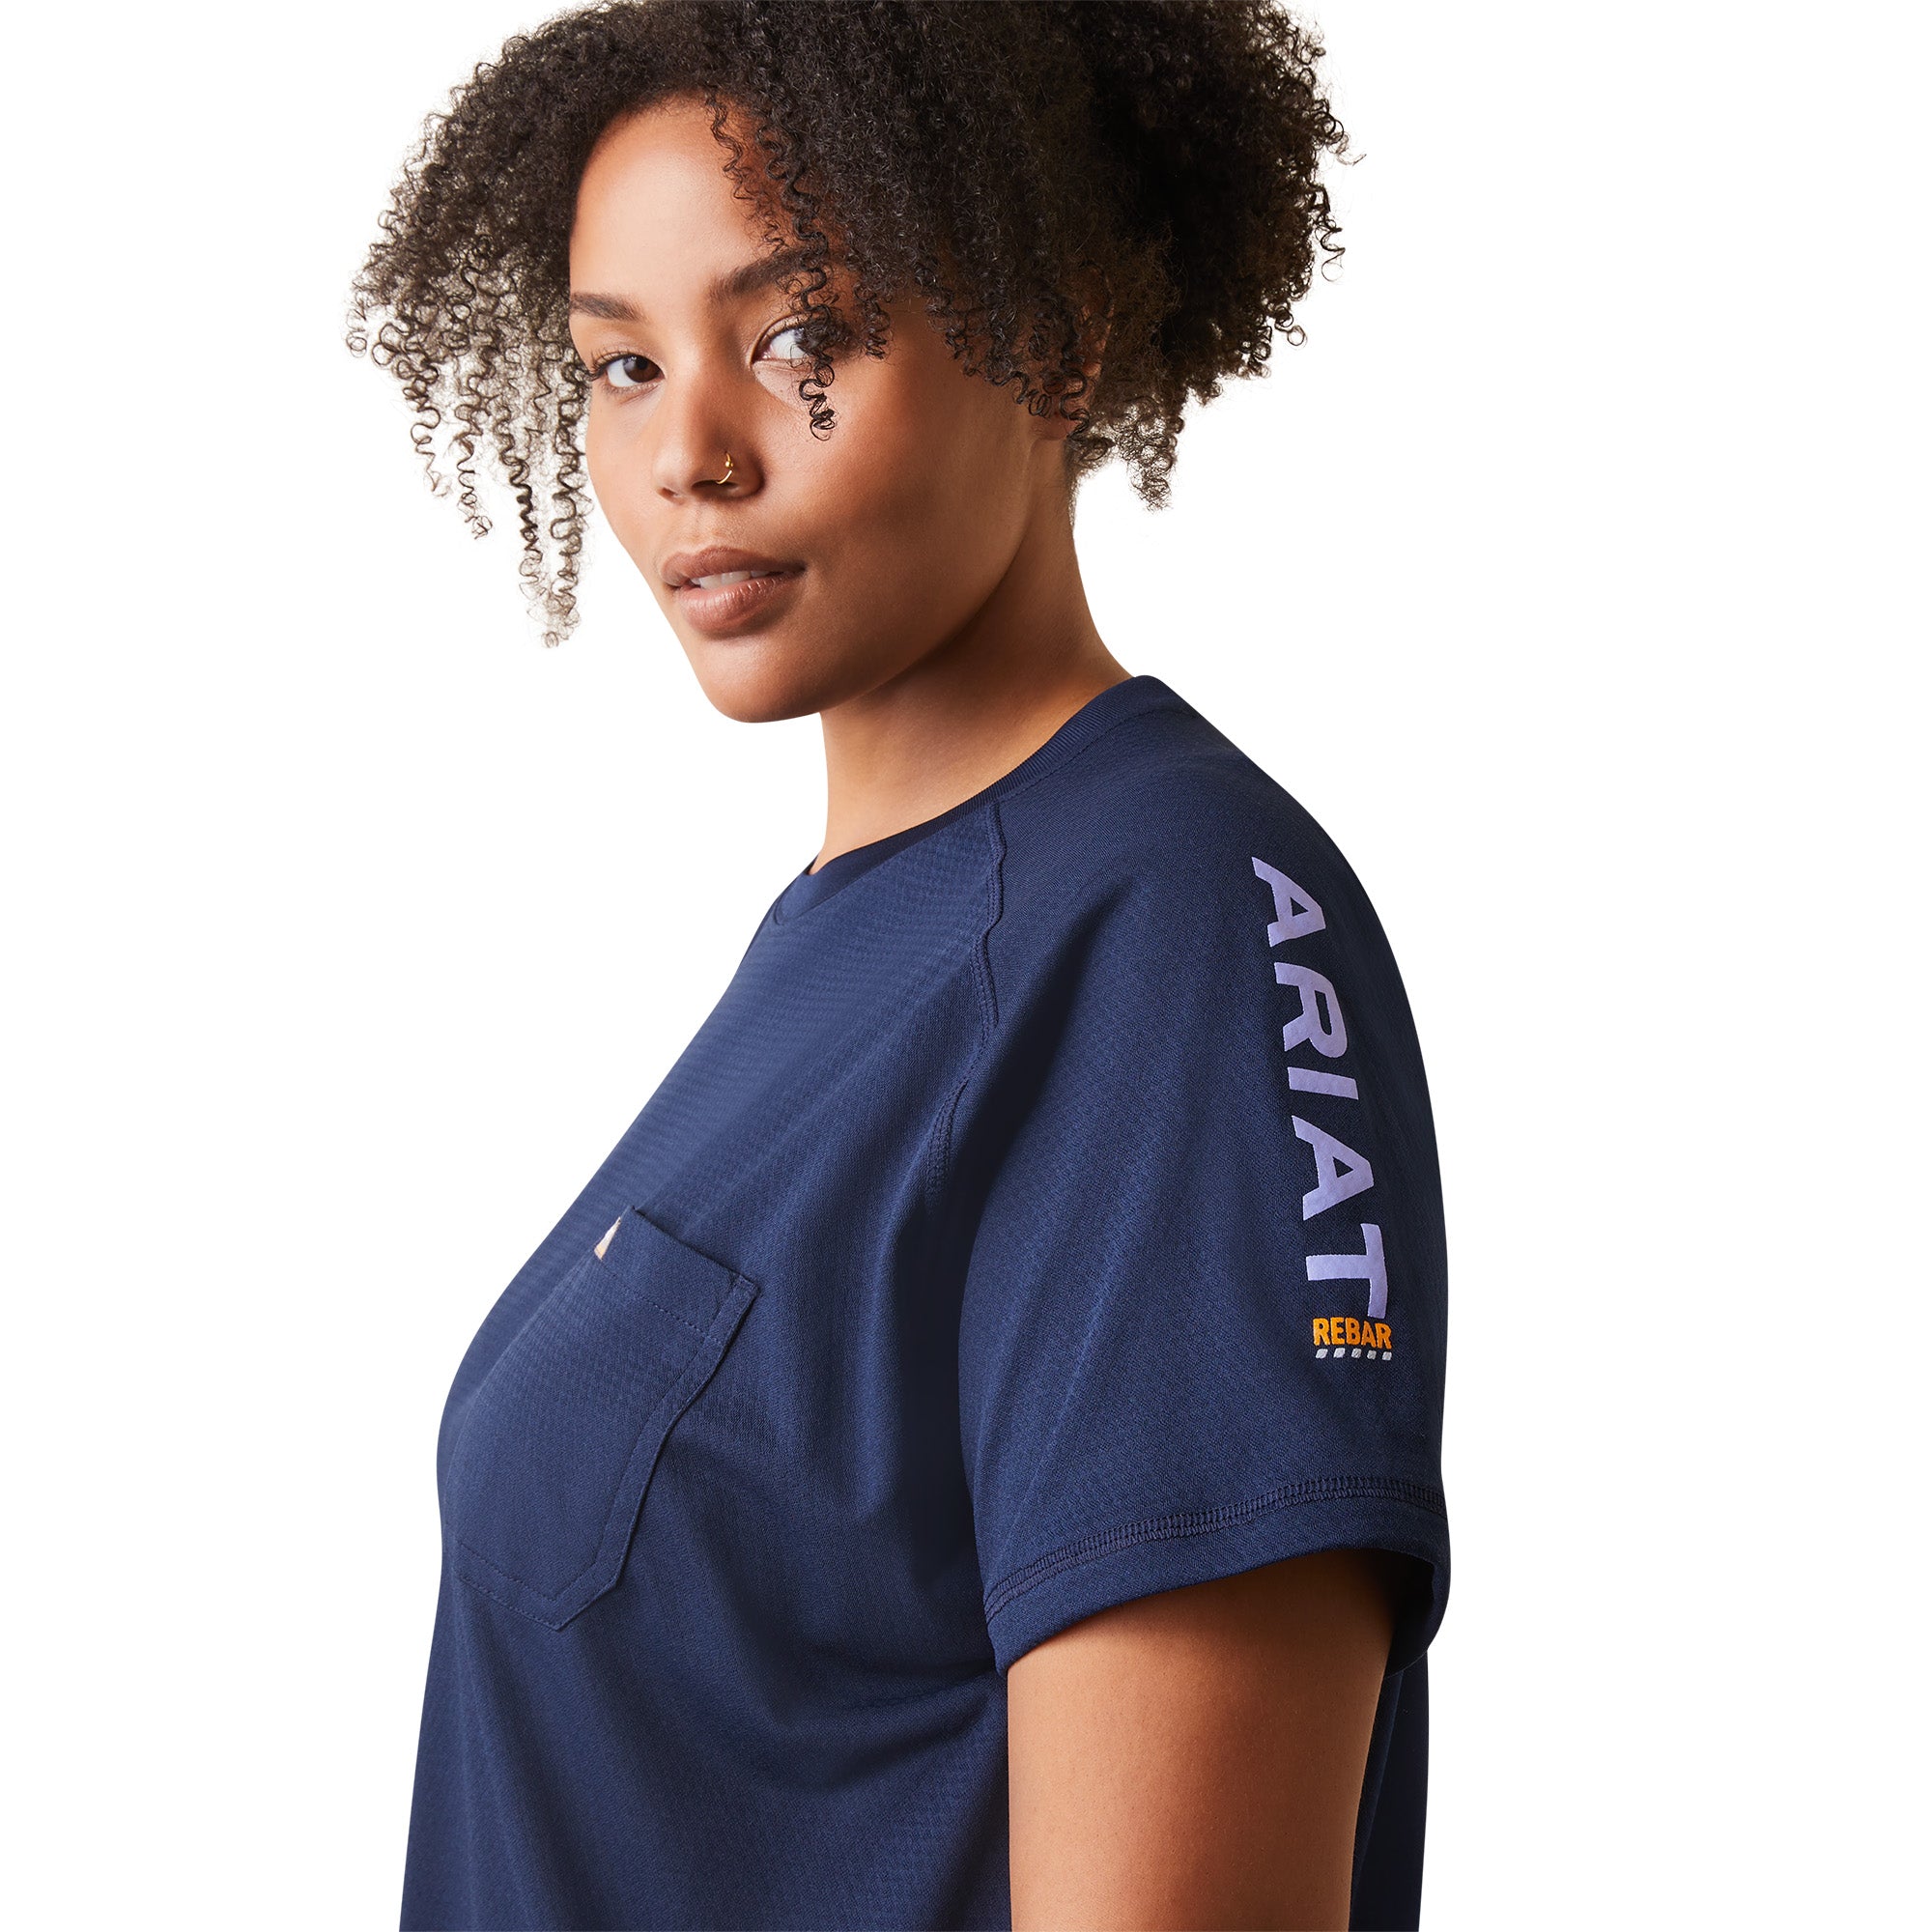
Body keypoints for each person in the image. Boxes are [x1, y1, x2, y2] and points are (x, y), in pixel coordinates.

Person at [349, 4, 1449, 1926]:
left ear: (1058, 334)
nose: (689, 453)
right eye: (622, 364)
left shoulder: (1166, 930)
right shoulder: (859, 947)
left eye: (800, 340)